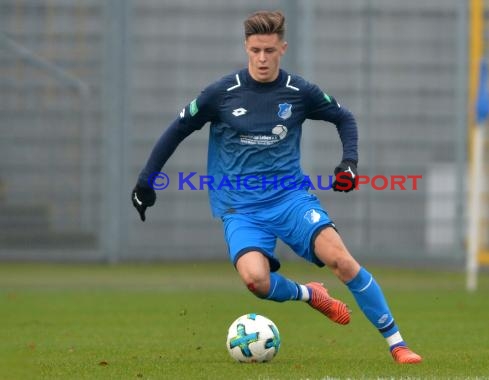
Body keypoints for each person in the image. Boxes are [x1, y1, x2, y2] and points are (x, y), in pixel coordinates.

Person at [131, 10, 422, 364]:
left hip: (290, 199)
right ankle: (310, 295)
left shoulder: (299, 91)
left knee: (341, 260)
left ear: (282, 48)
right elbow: (176, 130)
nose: (262, 59)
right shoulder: (221, 94)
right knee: (256, 281)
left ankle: (398, 344)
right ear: (246, 48)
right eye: (255, 50)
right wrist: (146, 182)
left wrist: (349, 162)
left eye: (269, 50)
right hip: (241, 209)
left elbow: (344, 117)